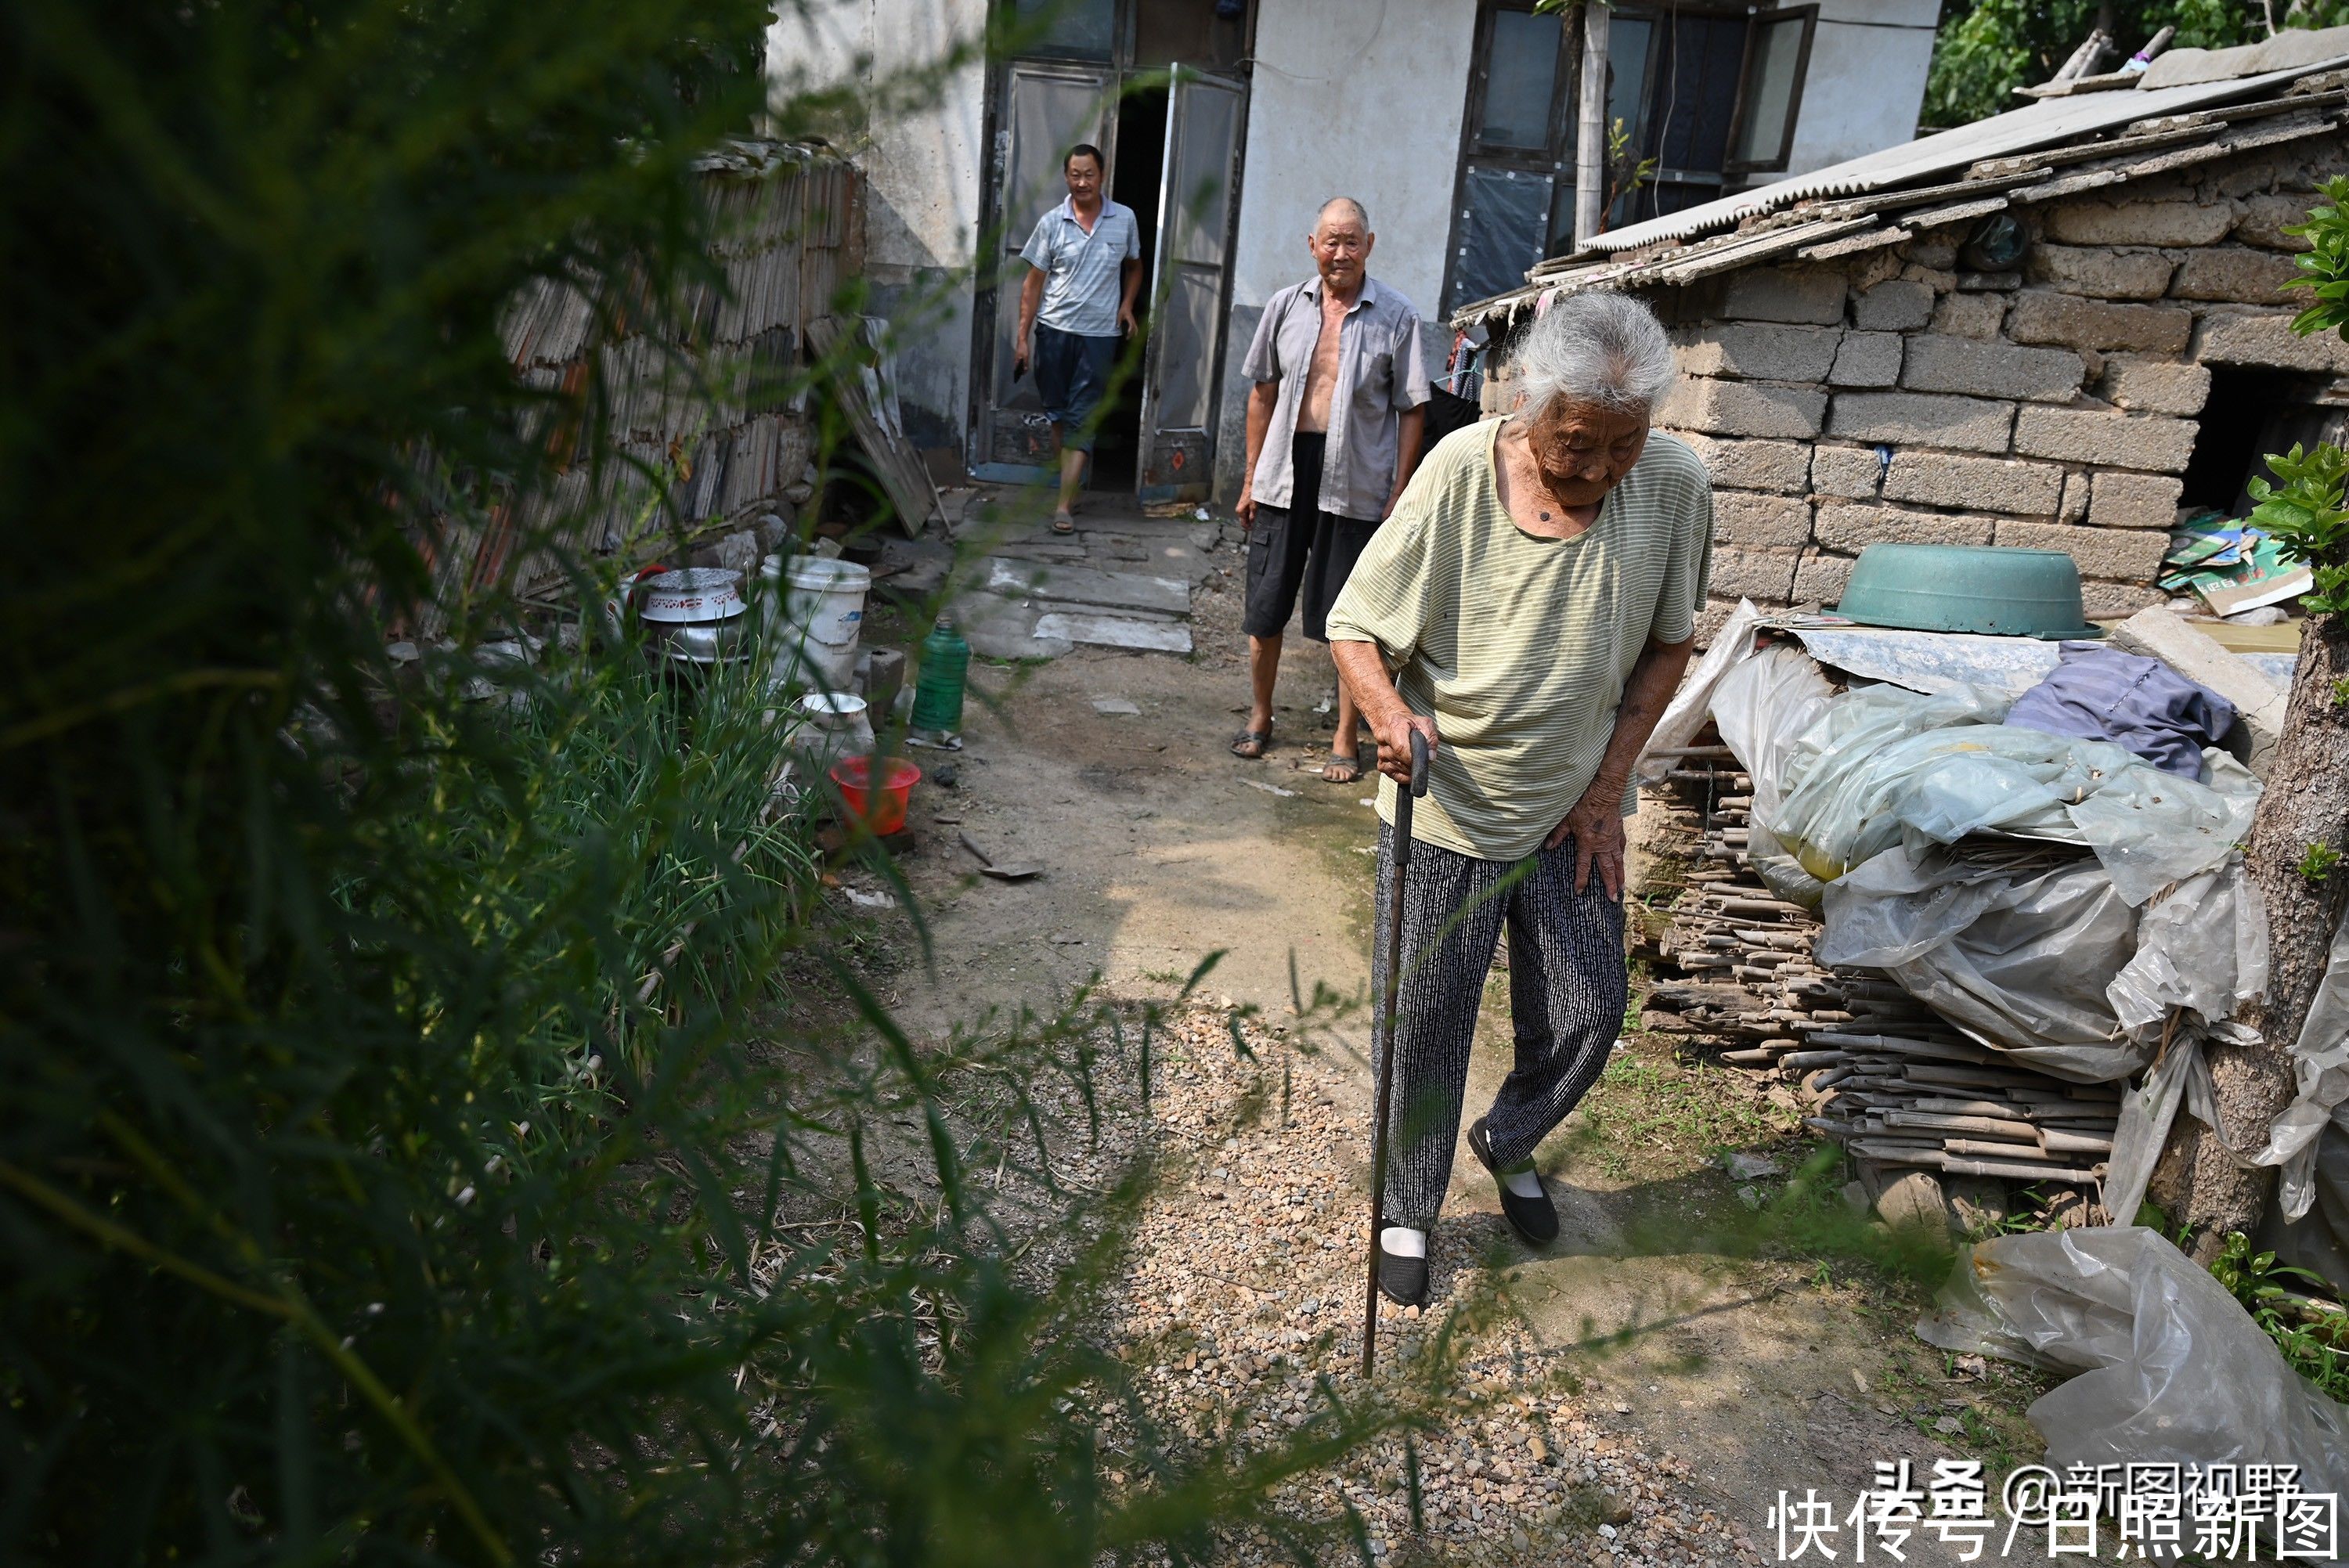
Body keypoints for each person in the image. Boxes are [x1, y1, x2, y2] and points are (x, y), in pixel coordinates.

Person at [1323, 292, 1712, 1307]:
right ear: (1527, 402)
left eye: (1622, 445)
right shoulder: (1460, 471)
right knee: (1425, 1020)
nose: (1596, 469)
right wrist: (1385, 716)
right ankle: (1408, 1205)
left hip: (1570, 808)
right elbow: (1357, 627)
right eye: (1575, 442)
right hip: (1448, 804)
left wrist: (1609, 786)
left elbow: (1672, 640)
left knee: (1590, 1008)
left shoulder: (1671, 486)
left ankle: (1509, 1136)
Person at [1230, 197, 1427, 783]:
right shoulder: (1285, 307)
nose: (1339, 252)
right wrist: (1249, 478)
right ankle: (1260, 714)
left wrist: (1400, 492)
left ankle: (1346, 735)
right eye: (1329, 240)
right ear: (1311, 245)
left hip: (1357, 485)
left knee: (1350, 619)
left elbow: (1413, 409)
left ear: (1370, 245)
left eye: (1351, 241)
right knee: (1265, 608)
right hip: (1283, 476)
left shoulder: (1396, 315)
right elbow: (1262, 393)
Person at [1014, 143, 1142, 535]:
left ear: (1102, 176)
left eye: (1089, 174)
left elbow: (1135, 266)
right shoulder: (1052, 223)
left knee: (1082, 418)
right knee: (1058, 414)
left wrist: (1127, 305)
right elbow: (1032, 285)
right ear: (1066, 178)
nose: (1082, 181)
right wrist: (1022, 338)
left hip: (1099, 337)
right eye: (1075, 175)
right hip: (1054, 333)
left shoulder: (1125, 219)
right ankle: (1069, 486)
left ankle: (1064, 505)